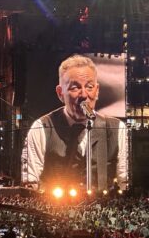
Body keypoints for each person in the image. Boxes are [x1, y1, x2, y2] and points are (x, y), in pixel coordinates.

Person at [21, 54, 127, 191]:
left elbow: (125, 182)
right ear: (60, 93)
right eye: (74, 88)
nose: (83, 95)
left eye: (89, 87)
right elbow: (30, 183)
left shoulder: (117, 129)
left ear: (97, 90)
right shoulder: (41, 128)